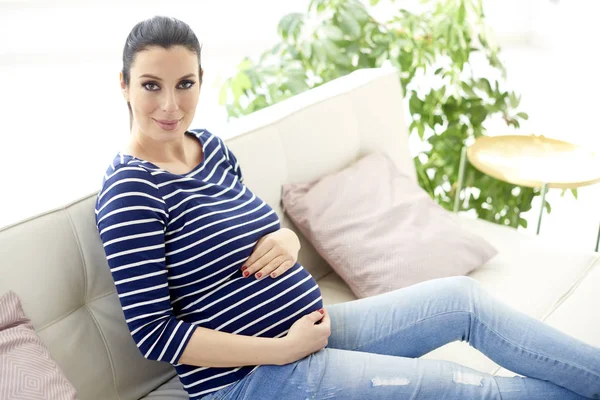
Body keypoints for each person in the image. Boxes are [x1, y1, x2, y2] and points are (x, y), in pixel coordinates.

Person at [94, 15, 600, 400]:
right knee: (467, 388)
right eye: (151, 86)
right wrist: (281, 350)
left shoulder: (210, 147)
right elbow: (155, 335)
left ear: (201, 79)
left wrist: (287, 238)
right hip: (254, 379)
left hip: (313, 327)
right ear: (123, 85)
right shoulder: (131, 191)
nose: (170, 106)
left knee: (463, 302)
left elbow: (254, 233)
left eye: (185, 84)